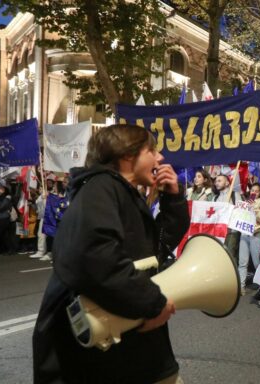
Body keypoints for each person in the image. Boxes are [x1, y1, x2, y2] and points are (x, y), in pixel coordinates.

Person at [32, 124, 189, 384]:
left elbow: (156, 248)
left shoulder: (117, 192)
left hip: (127, 351)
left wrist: (173, 199)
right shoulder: (101, 188)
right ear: (127, 154)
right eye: (151, 151)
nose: (160, 158)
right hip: (105, 359)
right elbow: (95, 256)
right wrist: (154, 304)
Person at [238, 182, 260, 296]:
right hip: (244, 233)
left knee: (257, 262)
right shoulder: (245, 202)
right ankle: (241, 286)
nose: (254, 192)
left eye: (256, 191)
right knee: (242, 262)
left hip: (256, 233)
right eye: (252, 190)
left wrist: (254, 208)